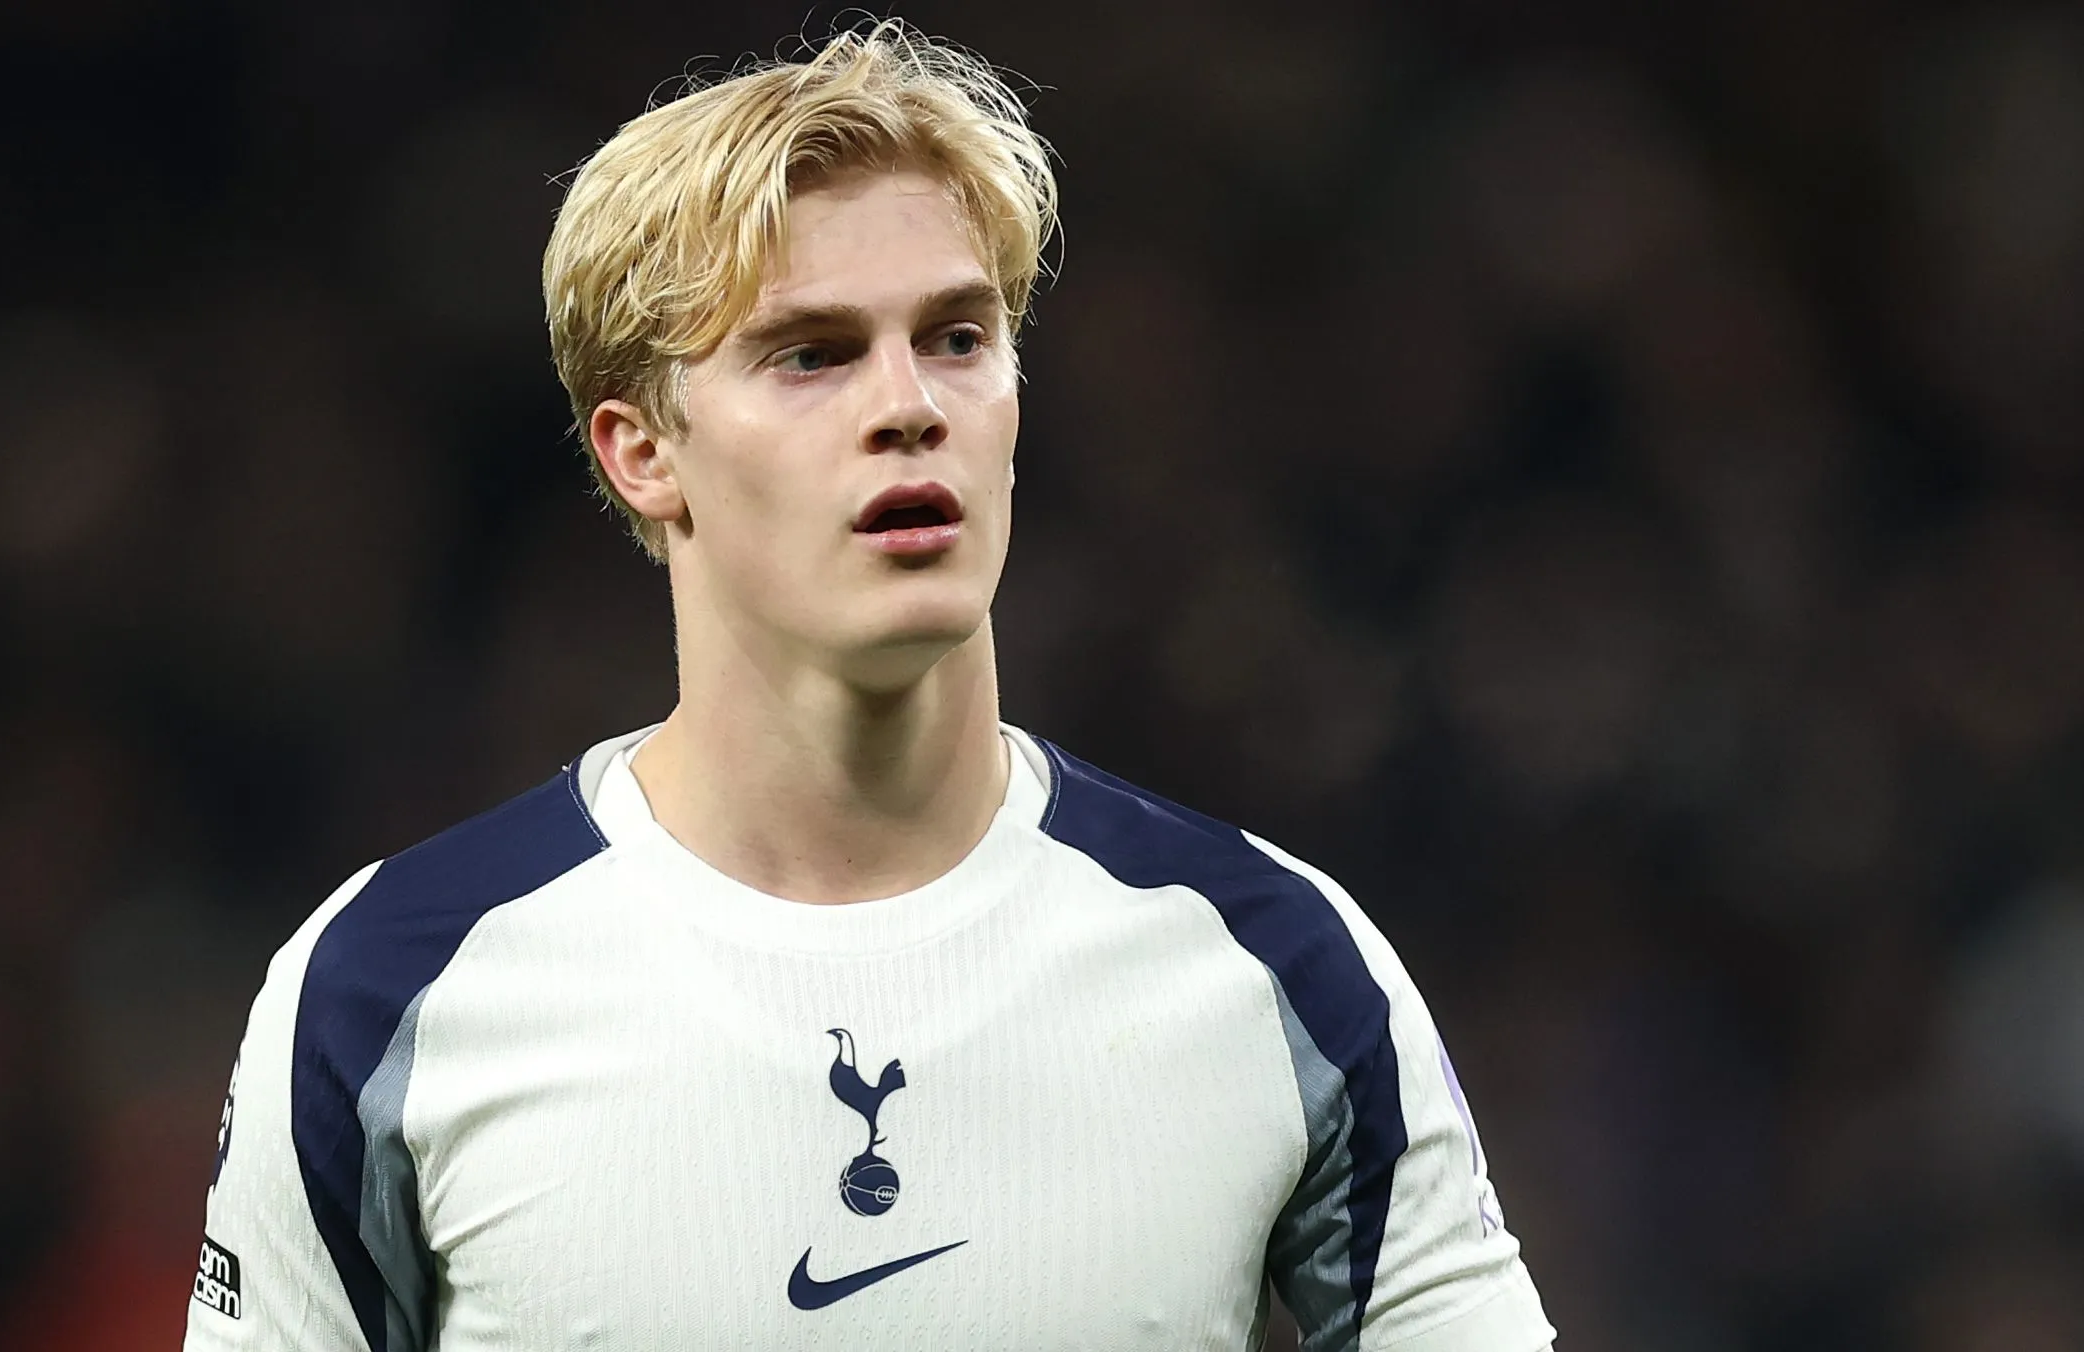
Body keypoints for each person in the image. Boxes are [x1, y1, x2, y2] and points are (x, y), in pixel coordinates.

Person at [188, 21, 1555, 1351]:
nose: (908, 403)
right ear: (640, 452)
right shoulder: (389, 986)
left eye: (958, 338)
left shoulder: (1274, 965)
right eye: (812, 353)